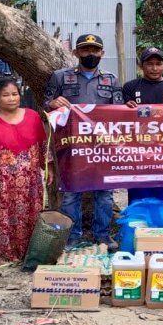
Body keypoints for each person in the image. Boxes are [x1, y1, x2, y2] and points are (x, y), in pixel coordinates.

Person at [43, 34, 123, 250]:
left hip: (103, 147)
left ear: (102, 54)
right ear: (76, 53)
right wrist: (52, 102)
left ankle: (103, 235)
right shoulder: (60, 77)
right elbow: (45, 104)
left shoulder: (111, 80)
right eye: (85, 50)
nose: (90, 54)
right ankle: (72, 236)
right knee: (71, 193)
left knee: (104, 194)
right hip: (72, 146)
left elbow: (119, 112)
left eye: (95, 51)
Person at [0, 78, 53, 263]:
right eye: (6, 95)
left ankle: (31, 252)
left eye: (15, 94)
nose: (11, 98)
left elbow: (43, 145)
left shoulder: (33, 116)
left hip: (30, 181)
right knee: (2, 217)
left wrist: (49, 170)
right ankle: (6, 254)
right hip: (1, 181)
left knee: (32, 215)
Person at [122, 47, 163, 203]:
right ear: (141, 66)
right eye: (149, 64)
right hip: (138, 150)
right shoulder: (130, 87)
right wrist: (126, 107)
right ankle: (139, 223)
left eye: (158, 63)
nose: (154, 68)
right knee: (139, 192)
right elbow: (120, 118)